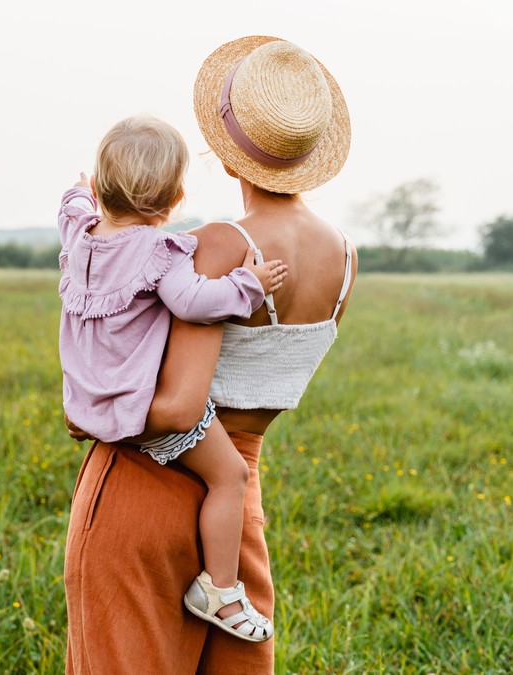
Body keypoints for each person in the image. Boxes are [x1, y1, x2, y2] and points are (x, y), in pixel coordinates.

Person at [64, 36, 357, 674]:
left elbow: (176, 407)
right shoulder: (343, 256)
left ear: (227, 157)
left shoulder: (217, 245)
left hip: (149, 489)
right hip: (237, 501)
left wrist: (86, 412)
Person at [57, 115, 287, 643]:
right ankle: (221, 590)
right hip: (147, 412)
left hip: (89, 404)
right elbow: (195, 303)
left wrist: (78, 189)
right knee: (229, 477)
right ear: (176, 197)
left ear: (98, 187)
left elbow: (70, 201)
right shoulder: (159, 252)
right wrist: (248, 284)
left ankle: (221, 589)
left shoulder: (77, 232)